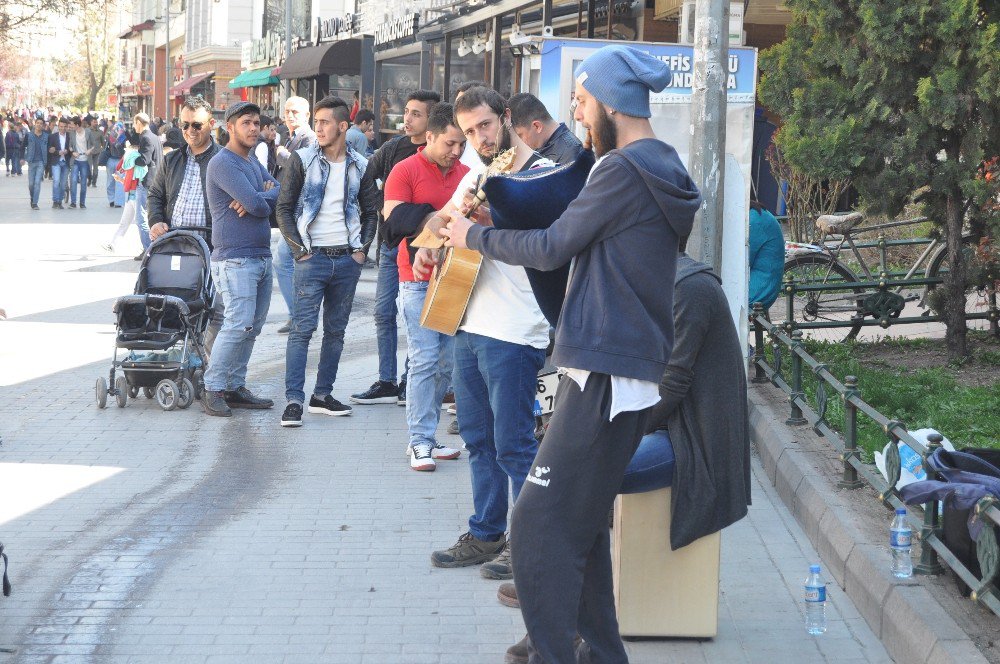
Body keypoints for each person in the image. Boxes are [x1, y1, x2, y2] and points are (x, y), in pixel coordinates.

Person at [440, 45, 701, 663]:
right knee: (578, 525)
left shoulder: (622, 169)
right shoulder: (655, 165)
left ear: (612, 104)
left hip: (609, 368)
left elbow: (555, 244)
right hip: (618, 366)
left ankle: (554, 653)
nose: (577, 116)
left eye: (582, 103)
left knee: (533, 524)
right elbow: (557, 217)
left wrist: (472, 234)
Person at [496, 252, 753, 627]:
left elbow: (671, 385)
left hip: (692, 439)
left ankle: (558, 589)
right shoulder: (649, 283)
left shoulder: (690, 288)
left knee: (580, 476)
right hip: (663, 425)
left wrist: (608, 434)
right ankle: (565, 591)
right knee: (565, 467)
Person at [409, 86, 553, 578]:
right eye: (469, 131)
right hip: (467, 319)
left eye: (485, 126)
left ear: (506, 118)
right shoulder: (478, 173)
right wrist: (431, 242)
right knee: (478, 438)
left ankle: (529, 540)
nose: (479, 138)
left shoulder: (538, 174)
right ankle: (487, 533)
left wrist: (487, 224)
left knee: (514, 442)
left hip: (515, 327)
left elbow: (547, 246)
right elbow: (440, 220)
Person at [275, 96, 378, 427]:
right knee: (302, 331)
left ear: (342, 126)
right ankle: (294, 400)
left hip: (346, 260)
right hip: (312, 259)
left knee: (336, 332)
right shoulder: (302, 160)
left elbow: (371, 210)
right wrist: (298, 250)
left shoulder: (360, 165)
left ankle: (322, 395)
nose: (318, 128)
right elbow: (284, 208)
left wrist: (361, 249)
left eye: (324, 122)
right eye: (315, 122)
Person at [381, 101, 468, 470]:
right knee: (425, 358)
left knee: (446, 363)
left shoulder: (466, 171)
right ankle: (418, 440)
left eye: (461, 144)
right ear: (429, 137)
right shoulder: (405, 169)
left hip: (458, 276)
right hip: (415, 278)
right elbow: (393, 221)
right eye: (450, 143)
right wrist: (438, 215)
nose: (457, 151)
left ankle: (428, 438)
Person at [348, 89, 441, 407]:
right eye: (407, 112)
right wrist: (382, 209)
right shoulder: (393, 148)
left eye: (416, 113)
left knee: (419, 318)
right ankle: (387, 380)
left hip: (428, 250)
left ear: (431, 120)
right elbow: (364, 181)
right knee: (384, 312)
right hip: (392, 245)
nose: (408, 118)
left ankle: (408, 379)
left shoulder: (440, 153)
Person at [201, 101, 280, 417]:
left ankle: (234, 386)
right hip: (234, 259)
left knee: (252, 326)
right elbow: (260, 206)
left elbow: (279, 191)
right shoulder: (224, 163)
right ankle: (213, 388)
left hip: (260, 256)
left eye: (256, 123)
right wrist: (258, 199)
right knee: (237, 323)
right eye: (246, 122)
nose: (253, 128)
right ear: (229, 127)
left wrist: (261, 196)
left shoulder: (251, 163)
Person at [146, 96, 225, 354]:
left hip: (211, 245)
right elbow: (156, 195)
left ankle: (208, 366)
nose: (190, 131)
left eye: (197, 125)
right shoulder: (172, 160)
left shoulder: (224, 160)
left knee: (214, 309)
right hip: (174, 244)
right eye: (185, 125)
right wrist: (156, 221)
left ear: (211, 124)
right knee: (173, 302)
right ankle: (181, 358)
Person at [273, 96, 318, 334]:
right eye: (288, 111)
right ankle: (299, 315)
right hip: (291, 211)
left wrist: (281, 155)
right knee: (290, 264)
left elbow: (303, 168)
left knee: (283, 262)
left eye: (296, 112)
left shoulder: (309, 137)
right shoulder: (292, 137)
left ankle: (299, 316)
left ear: (307, 115)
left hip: (300, 213)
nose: (290, 116)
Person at [507, 92, 584, 165]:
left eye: (520, 136)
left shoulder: (572, 154)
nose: (518, 143)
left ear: (537, 126)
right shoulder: (540, 147)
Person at [101, 145, 147, 253]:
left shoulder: (137, 166)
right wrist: (120, 180)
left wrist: (122, 179)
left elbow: (137, 183)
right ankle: (113, 245)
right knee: (125, 222)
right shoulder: (131, 166)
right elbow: (129, 183)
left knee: (142, 223)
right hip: (131, 197)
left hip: (136, 197)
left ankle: (148, 247)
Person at [132, 113, 163, 255]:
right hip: (155, 181)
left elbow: (144, 159)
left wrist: (131, 157)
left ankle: (148, 250)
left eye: (134, 123)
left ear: (139, 122)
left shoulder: (145, 137)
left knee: (141, 218)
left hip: (147, 182)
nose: (133, 126)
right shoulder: (155, 136)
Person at [749, 200, 785, 310]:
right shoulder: (756, 213)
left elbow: (742, 262)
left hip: (759, 290)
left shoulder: (754, 220)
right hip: (762, 282)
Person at [69, 116, 99, 208]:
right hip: (75, 160)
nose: (70, 126)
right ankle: (73, 202)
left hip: (85, 161)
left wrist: (89, 150)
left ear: (77, 125)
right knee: (73, 180)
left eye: (72, 125)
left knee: (83, 182)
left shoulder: (88, 132)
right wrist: (72, 152)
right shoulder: (72, 133)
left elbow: (94, 145)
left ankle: (82, 203)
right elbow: (70, 145)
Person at [47, 117, 74, 210]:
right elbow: (50, 149)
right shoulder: (52, 136)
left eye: (65, 126)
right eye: (61, 126)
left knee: (63, 183)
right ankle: (55, 201)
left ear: (67, 127)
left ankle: (60, 201)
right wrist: (57, 152)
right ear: (58, 126)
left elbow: (72, 149)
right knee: (56, 181)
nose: (63, 128)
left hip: (65, 162)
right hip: (56, 162)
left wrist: (68, 151)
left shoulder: (70, 136)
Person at [23, 117, 49, 210]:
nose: (39, 125)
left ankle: (35, 203)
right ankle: (32, 197)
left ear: (43, 126)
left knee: (37, 182)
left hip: (41, 162)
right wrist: (22, 158)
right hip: (31, 162)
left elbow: (49, 148)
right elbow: (23, 146)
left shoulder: (46, 136)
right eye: (37, 123)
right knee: (31, 184)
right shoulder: (29, 135)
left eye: (41, 123)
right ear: (35, 124)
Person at [104, 123, 127, 207]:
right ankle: (117, 201)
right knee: (119, 181)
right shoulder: (123, 137)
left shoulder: (110, 137)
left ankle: (112, 200)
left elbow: (106, 147)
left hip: (112, 160)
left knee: (111, 181)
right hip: (119, 160)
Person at [88, 116, 104, 186]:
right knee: (88, 167)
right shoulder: (87, 131)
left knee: (95, 167)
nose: (96, 123)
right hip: (89, 152)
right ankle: (89, 179)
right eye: (94, 122)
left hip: (97, 152)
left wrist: (102, 149)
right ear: (91, 122)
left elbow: (103, 142)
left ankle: (94, 182)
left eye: (96, 122)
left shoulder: (100, 132)